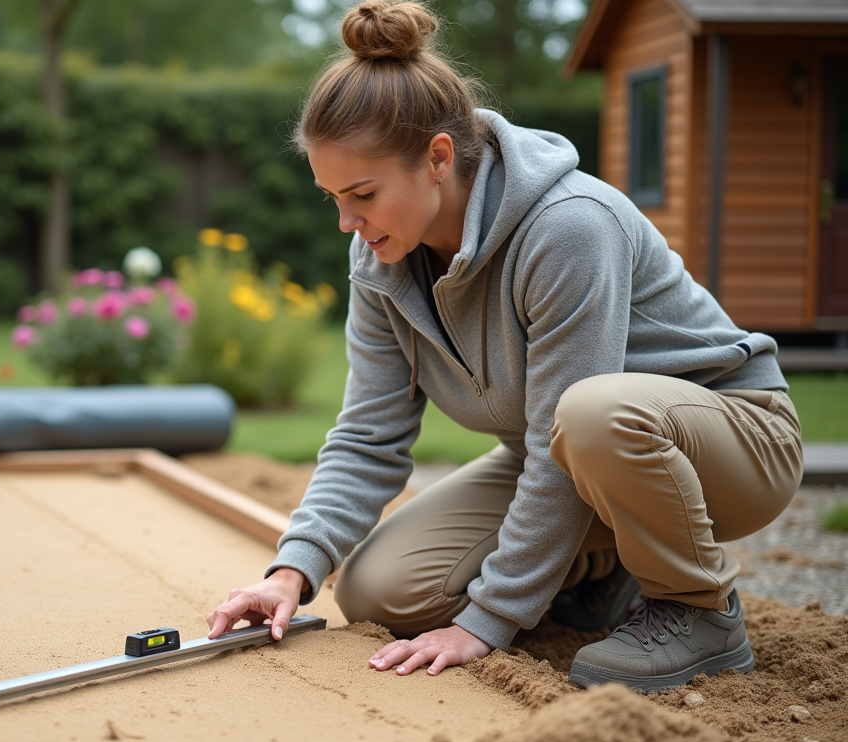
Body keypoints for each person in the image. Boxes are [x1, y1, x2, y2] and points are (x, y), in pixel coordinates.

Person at [205, 0, 803, 692]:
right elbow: (369, 433)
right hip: (577, 459)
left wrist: (485, 621)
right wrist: (291, 572)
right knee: (378, 592)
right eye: (333, 196)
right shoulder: (379, 261)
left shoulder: (569, 227)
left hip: (732, 441)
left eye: (363, 193)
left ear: (437, 158)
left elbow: (562, 436)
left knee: (591, 413)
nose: (347, 222)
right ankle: (605, 569)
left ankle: (700, 611)